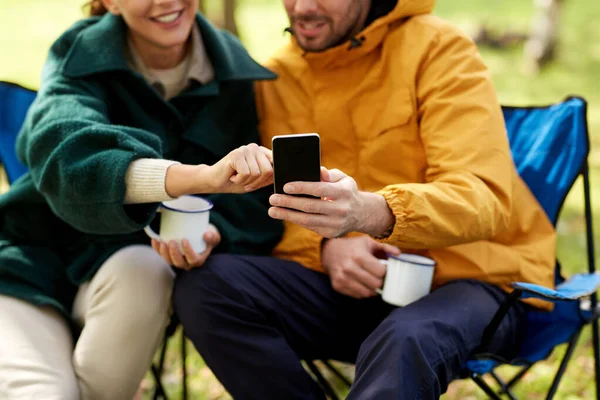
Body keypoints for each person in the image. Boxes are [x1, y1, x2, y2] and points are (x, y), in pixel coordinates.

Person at [173, 0, 556, 399]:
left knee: (405, 338)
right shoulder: (277, 76)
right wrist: (326, 247)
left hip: (473, 281)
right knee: (207, 288)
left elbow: (483, 197)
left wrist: (372, 213)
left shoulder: (439, 48)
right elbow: (271, 210)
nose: (302, 7)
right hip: (352, 293)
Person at [0, 0, 282, 398]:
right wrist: (202, 177)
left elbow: (257, 207)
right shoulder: (78, 55)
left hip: (130, 273)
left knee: (147, 265)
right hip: (32, 264)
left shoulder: (237, 74)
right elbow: (65, 152)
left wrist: (214, 231)